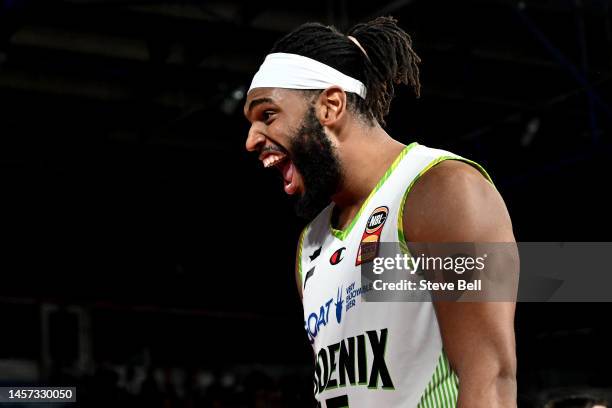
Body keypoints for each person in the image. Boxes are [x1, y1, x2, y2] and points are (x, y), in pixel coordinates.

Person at [243, 16, 517, 407]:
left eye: (267, 115)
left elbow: (490, 381)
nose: (251, 140)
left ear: (330, 106)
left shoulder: (440, 189)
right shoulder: (310, 244)